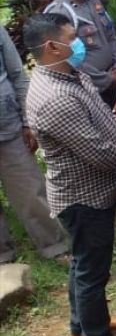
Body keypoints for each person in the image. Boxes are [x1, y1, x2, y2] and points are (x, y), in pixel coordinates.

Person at [24, 13, 116, 336]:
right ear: (51, 46)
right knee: (93, 269)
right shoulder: (53, 97)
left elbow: (103, 122)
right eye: (72, 37)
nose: (80, 44)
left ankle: (82, 325)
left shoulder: (71, 75)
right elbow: (99, 153)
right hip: (83, 196)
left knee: (82, 263)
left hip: (87, 192)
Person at [0, 24, 68, 264]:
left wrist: (28, 122)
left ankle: (56, 247)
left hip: (7, 126)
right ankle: (3, 258)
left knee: (30, 191)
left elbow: (17, 75)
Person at [43, 0, 116, 106]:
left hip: (115, 77)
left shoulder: (93, 2)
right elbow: (70, 58)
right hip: (91, 88)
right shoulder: (59, 12)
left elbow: (111, 36)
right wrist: (107, 80)